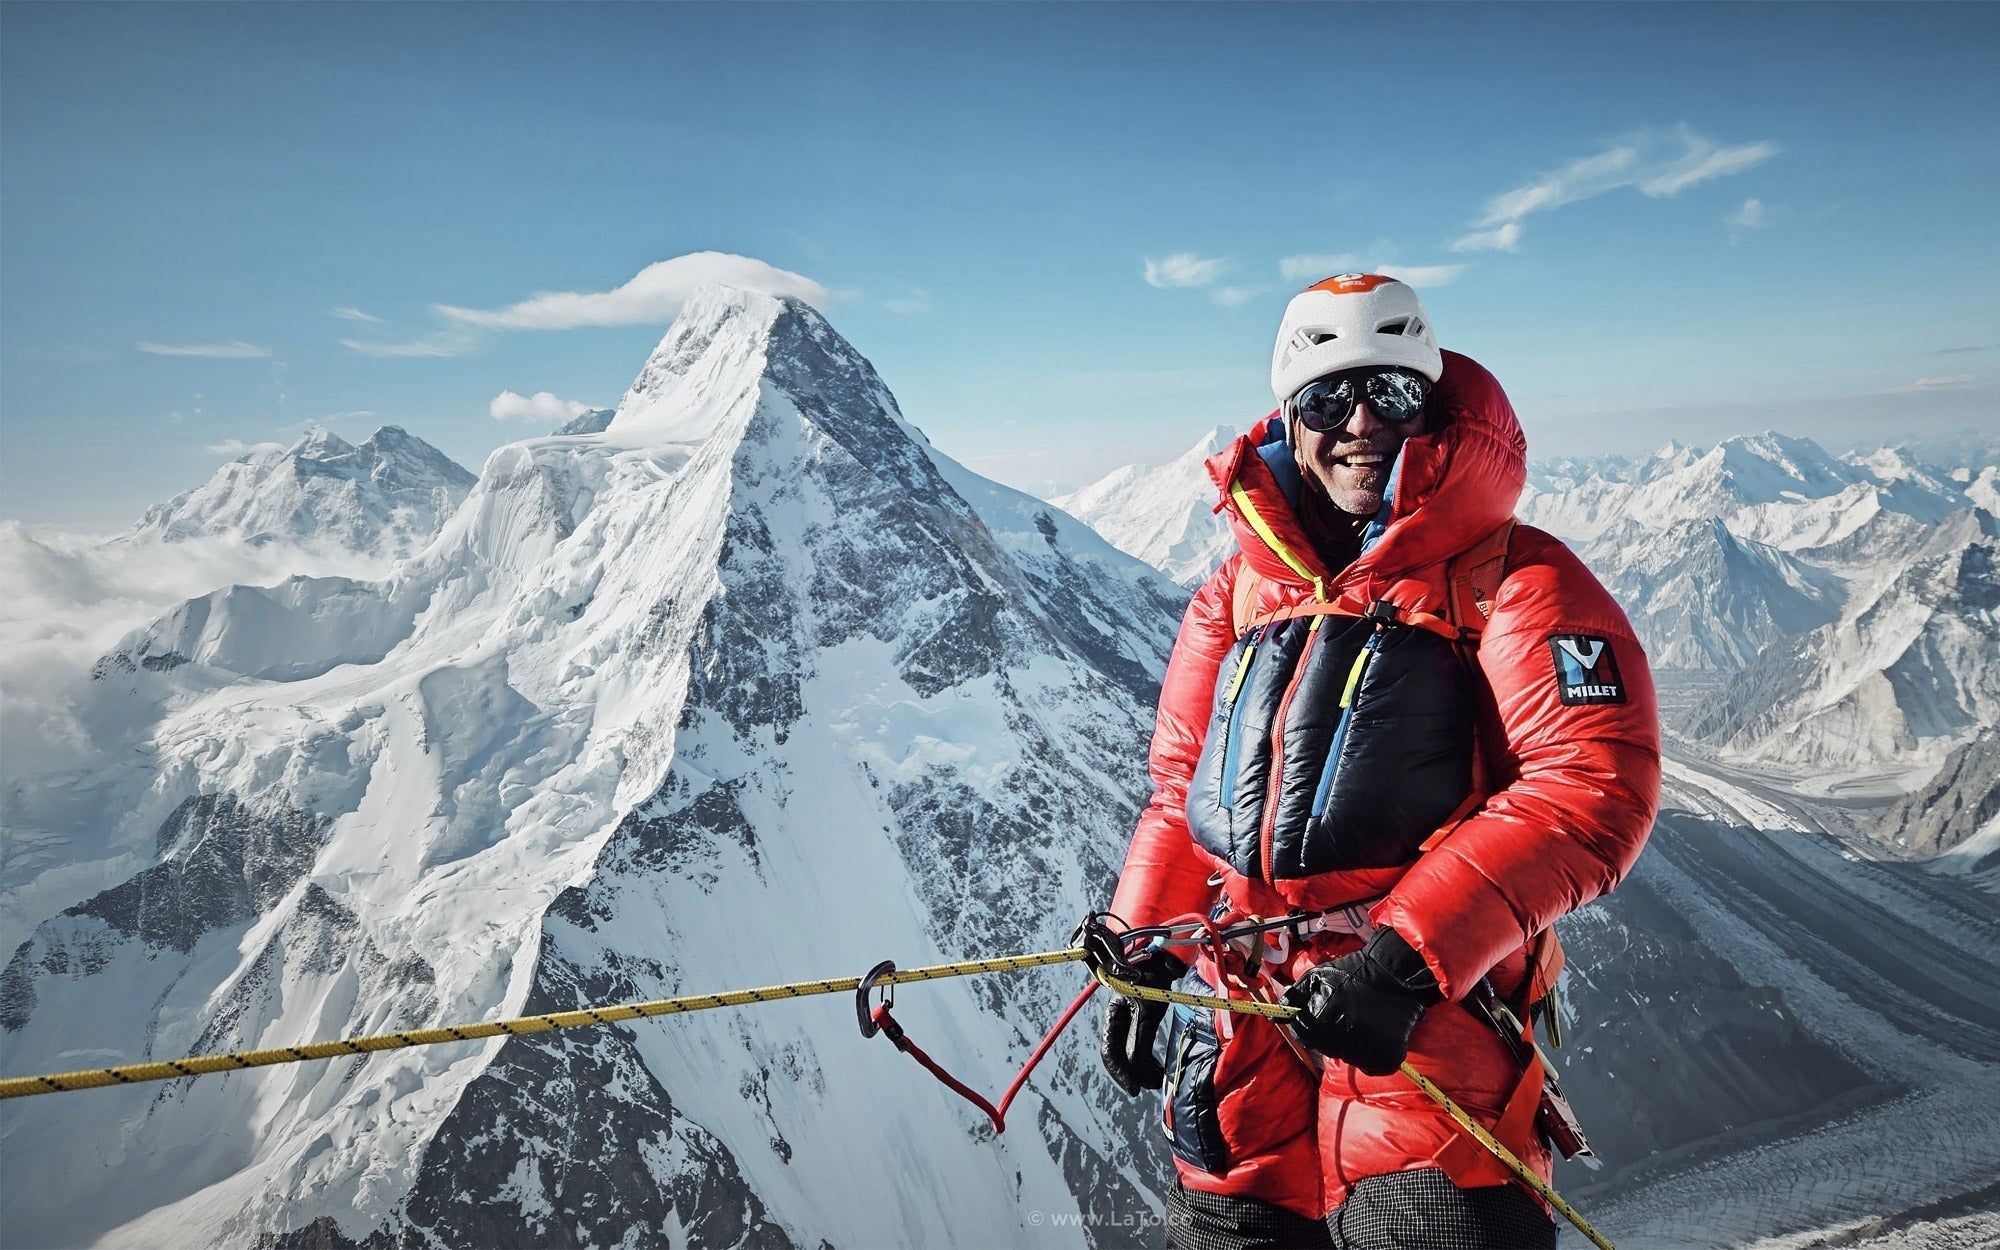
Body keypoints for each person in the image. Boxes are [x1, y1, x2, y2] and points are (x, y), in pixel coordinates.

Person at [1101, 274, 1661, 1249]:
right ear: (1287, 416)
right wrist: (1142, 935)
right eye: (1327, 396)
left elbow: (1591, 787)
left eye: (1390, 391)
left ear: (1430, 400)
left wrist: (1403, 960)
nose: (1360, 420)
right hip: (1249, 1035)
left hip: (1432, 1038)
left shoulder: (1512, 576)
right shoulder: (1234, 595)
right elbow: (1177, 793)